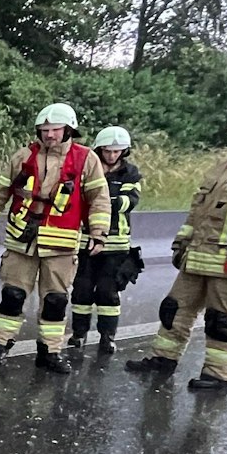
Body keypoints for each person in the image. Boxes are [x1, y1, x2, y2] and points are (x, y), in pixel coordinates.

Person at [124, 110, 227, 391]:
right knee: (174, 310)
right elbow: (197, 213)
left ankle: (218, 375)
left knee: (222, 321)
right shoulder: (221, 168)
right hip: (199, 257)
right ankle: (163, 359)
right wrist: (182, 242)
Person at [0, 103, 111, 375]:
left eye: (55, 129)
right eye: (44, 130)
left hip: (60, 246)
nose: (49, 135)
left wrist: (98, 234)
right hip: (21, 241)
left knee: (55, 301)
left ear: (68, 129)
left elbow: (99, 200)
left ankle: (49, 352)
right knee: (12, 296)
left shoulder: (86, 159)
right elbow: (1, 191)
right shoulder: (23, 156)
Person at [69, 125, 144, 354]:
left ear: (124, 152)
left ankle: (107, 336)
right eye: (107, 151)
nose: (112, 155)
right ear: (99, 150)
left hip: (116, 245)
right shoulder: (87, 170)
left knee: (107, 292)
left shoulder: (130, 174)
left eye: (116, 151)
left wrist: (100, 200)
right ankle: (78, 334)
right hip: (85, 241)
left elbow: (129, 202)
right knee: (81, 290)